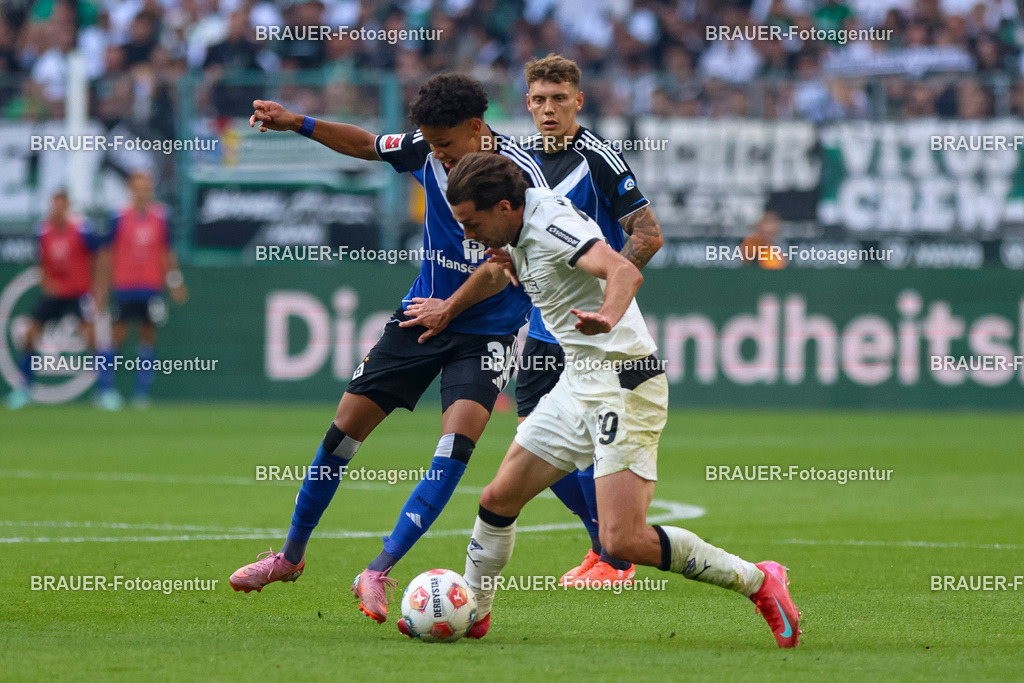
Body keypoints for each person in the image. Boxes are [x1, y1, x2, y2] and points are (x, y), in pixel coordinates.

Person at [402, 152, 800, 648]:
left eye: (472, 222)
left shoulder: (550, 225)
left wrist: (608, 316)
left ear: (505, 206)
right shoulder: (516, 227)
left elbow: (623, 272)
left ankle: (759, 580)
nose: (468, 234)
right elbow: (505, 270)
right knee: (497, 499)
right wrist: (459, 300)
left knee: (622, 540)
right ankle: (474, 613)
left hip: (626, 383)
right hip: (579, 384)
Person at [228, 74, 549, 626]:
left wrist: (451, 308)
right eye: (430, 141)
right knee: (344, 430)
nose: (437, 152)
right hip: (422, 313)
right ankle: (288, 557)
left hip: (487, 331)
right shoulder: (428, 148)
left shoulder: (519, 178)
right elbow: (366, 145)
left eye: (445, 142)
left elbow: (504, 267)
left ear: (476, 128)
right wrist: (295, 122)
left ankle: (378, 569)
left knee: (455, 448)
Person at [399, 54, 664, 587]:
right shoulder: (514, 163)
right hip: (545, 328)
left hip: (591, 326)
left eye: (559, 99)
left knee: (571, 441)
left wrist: (604, 292)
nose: (548, 110)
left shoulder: (599, 158)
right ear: (526, 102)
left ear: (578, 102)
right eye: (539, 99)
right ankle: (604, 546)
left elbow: (647, 234)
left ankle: (616, 553)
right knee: (532, 434)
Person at [94, 171, 188, 410]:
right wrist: (102, 287)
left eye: (146, 187)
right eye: (138, 187)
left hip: (151, 286)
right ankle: (106, 391)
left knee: (148, 336)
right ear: (130, 189)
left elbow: (167, 252)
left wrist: (174, 281)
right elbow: (106, 254)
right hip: (124, 285)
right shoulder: (118, 217)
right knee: (117, 336)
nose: (142, 192)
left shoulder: (161, 217)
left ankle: (141, 394)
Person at [5, 190, 102, 410]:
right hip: (56, 294)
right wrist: (47, 280)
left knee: (93, 338)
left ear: (67, 206)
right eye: (54, 205)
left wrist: (95, 286)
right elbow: (41, 259)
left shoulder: (81, 229)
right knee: (30, 335)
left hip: (78, 293)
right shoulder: (43, 231)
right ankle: (24, 388)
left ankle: (105, 390)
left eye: (61, 205)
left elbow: (97, 256)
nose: (57, 209)